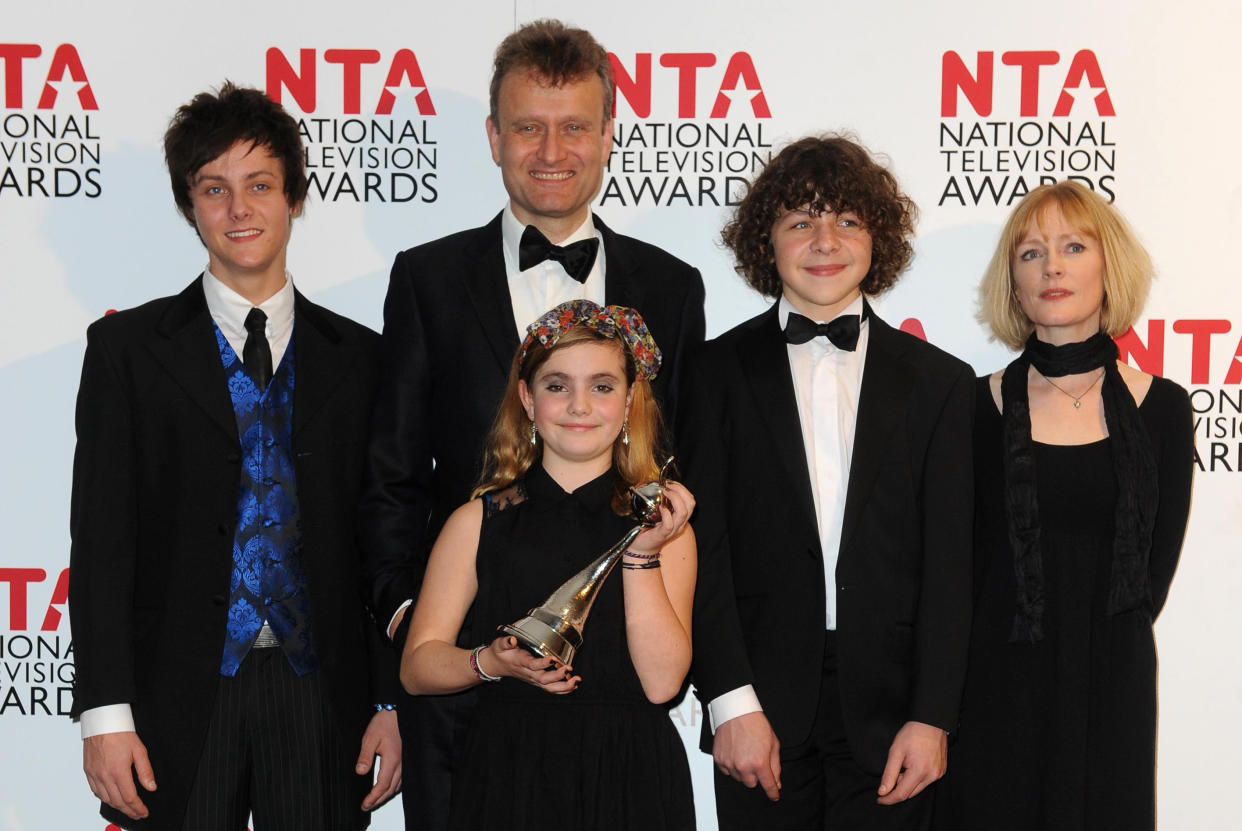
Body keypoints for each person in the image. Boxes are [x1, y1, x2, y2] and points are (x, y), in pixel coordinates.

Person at [358, 19, 705, 829]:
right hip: (461, 694)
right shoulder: (427, 279)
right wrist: (431, 639)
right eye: (528, 127)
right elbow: (390, 482)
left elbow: (682, 475)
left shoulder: (674, 285)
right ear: (493, 137)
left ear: (608, 135)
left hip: (623, 693)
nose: (552, 150)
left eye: (575, 125)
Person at [68, 83, 400, 830]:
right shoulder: (126, 352)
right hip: (175, 695)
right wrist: (103, 711)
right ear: (190, 205)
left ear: (295, 198)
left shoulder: (364, 358)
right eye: (214, 189)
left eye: (259, 185)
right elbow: (100, 546)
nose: (239, 209)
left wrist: (390, 699)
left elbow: (384, 543)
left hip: (322, 695)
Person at [680, 135, 975, 829]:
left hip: (895, 717)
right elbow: (701, 549)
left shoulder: (940, 384)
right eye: (800, 221)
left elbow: (951, 566)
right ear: (766, 241)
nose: (825, 240)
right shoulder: (712, 375)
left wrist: (934, 715)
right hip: (758, 710)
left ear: (880, 238)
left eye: (847, 219)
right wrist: (729, 700)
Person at [937, 181, 1194, 831]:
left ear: (1108, 268)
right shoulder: (971, 407)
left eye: (1073, 246)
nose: (1051, 265)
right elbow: (955, 570)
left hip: (1113, 693)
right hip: (994, 697)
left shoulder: (1163, 409)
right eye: (1031, 253)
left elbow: (1152, 577)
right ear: (1013, 285)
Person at [400, 299, 697, 830]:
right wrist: (488, 662)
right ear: (527, 399)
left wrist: (640, 556)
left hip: (631, 777)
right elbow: (418, 667)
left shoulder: (664, 527)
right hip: (507, 774)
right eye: (557, 385)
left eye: (602, 386)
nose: (579, 405)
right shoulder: (477, 520)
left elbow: (661, 684)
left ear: (630, 401)